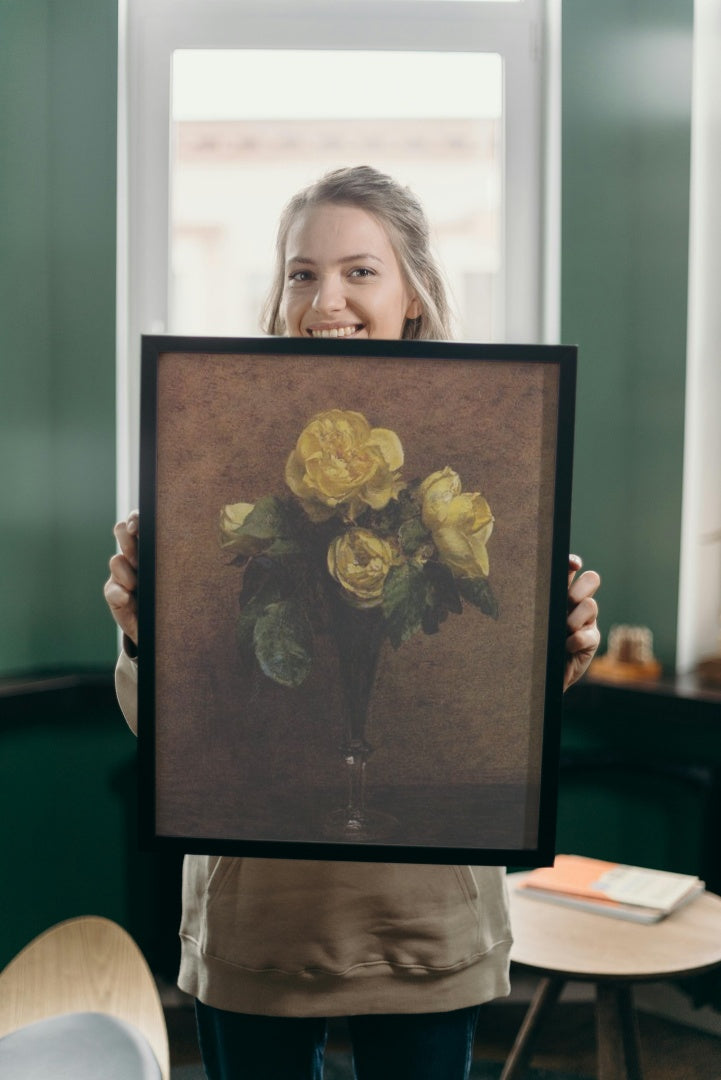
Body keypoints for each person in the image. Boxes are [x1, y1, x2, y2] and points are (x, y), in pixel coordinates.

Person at [105, 166, 601, 1080]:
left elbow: (476, 703)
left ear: (412, 292)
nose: (324, 298)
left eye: (358, 271)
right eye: (301, 272)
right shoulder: (209, 453)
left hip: (424, 918)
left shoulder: (489, 451)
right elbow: (176, 729)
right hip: (259, 918)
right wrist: (143, 636)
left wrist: (555, 653)